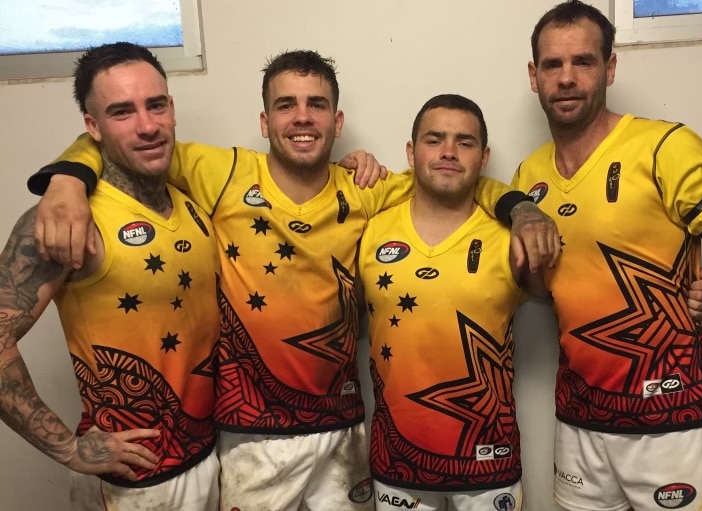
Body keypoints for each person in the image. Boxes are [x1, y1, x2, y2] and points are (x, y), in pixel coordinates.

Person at [25, 50, 561, 510]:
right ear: (264, 121)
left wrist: (519, 208)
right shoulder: (222, 172)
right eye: (286, 105)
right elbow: (128, 140)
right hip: (252, 439)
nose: (302, 118)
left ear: (336, 119)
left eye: (316, 105)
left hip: (345, 433)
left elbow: (456, 179)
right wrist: (67, 180)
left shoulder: (367, 191)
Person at [511, 2, 702, 510]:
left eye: (582, 62)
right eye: (552, 65)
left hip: (677, 425)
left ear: (609, 68)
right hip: (578, 426)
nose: (566, 78)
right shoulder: (528, 178)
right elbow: (546, 287)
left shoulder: (664, 147)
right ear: (533, 76)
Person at [0, 42, 221, 510]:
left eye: (155, 104)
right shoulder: (69, 221)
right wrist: (67, 448)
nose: (147, 126)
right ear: (92, 127)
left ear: (171, 108)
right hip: (133, 485)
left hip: (210, 458)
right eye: (121, 112)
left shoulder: (192, 199)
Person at [359, 93, 549, 511]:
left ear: (484, 157)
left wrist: (688, 292)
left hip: (489, 463)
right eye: (434, 139)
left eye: (464, 142)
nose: (448, 152)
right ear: (411, 152)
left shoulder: (514, 235)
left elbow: (579, 294)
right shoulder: (369, 230)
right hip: (396, 462)